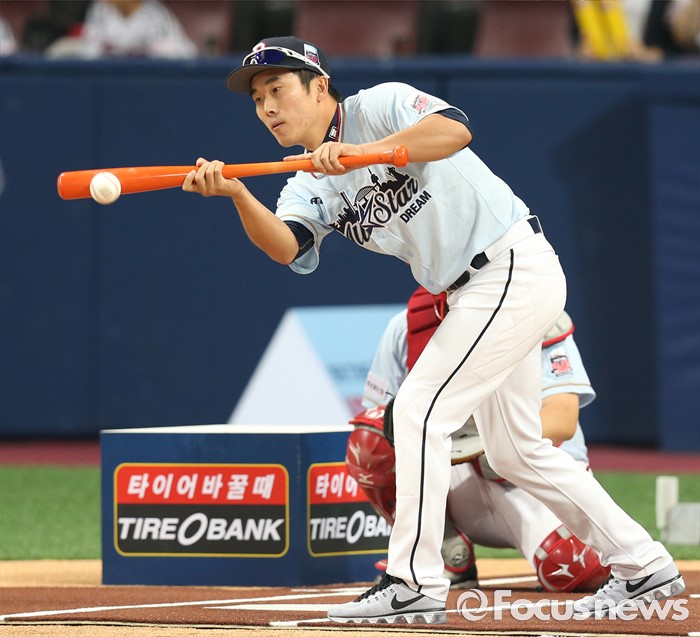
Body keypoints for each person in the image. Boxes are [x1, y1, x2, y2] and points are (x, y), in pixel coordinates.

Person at [182, 36, 684, 624]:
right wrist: (238, 194)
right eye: (258, 98)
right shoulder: (305, 180)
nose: (268, 106)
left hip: (508, 265)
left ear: (319, 87)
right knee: (517, 452)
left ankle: (412, 582)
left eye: (278, 88)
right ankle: (644, 565)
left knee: (419, 412)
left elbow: (454, 131)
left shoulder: (380, 105)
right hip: (473, 291)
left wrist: (362, 153)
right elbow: (287, 246)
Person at [346, 287, 610, 594]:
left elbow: (562, 419)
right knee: (370, 440)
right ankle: (443, 551)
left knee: (577, 566)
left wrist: (491, 441)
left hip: (532, 479)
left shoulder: (535, 309)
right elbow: (378, 422)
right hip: (457, 476)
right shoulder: (407, 325)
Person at [46, 0, 197, 59]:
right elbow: (88, 51)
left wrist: (148, 50)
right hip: (109, 81)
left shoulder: (156, 13)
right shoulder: (100, 9)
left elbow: (187, 53)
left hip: (150, 84)